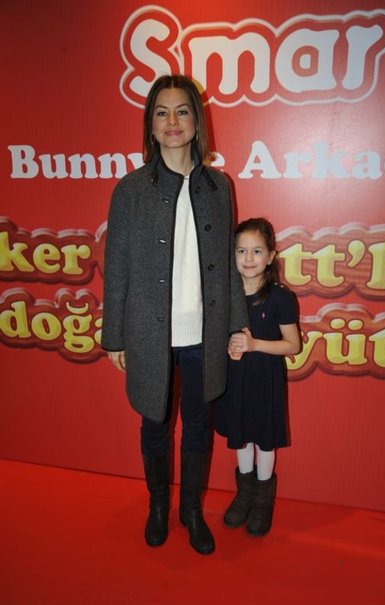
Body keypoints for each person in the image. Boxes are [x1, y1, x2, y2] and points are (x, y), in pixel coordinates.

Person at [101, 74, 248, 555]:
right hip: (149, 332)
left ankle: (191, 511)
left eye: (182, 111)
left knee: (199, 426)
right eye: (161, 112)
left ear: (197, 121)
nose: (172, 121)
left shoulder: (219, 187)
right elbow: (116, 267)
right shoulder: (130, 190)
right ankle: (159, 506)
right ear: (150, 124)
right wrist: (114, 335)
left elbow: (227, 262)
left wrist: (235, 324)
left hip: (204, 332)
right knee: (154, 423)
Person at [215, 217, 300, 536]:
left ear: (271, 256)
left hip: (265, 379)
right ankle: (244, 496)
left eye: (257, 251)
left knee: (264, 441)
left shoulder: (280, 297)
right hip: (235, 378)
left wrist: (254, 345)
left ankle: (263, 503)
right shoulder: (225, 293)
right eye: (241, 251)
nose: (248, 258)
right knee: (241, 436)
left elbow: (293, 345)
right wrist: (228, 347)